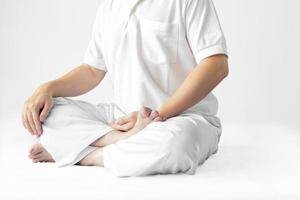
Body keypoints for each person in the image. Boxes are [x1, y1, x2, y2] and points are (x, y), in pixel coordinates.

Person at [22, 0, 229, 177]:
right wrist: (47, 88)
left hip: (183, 119)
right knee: (49, 112)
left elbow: (216, 66)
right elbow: (92, 70)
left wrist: (158, 114)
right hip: (123, 120)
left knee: (176, 144)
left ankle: (87, 155)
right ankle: (119, 141)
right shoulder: (110, 5)